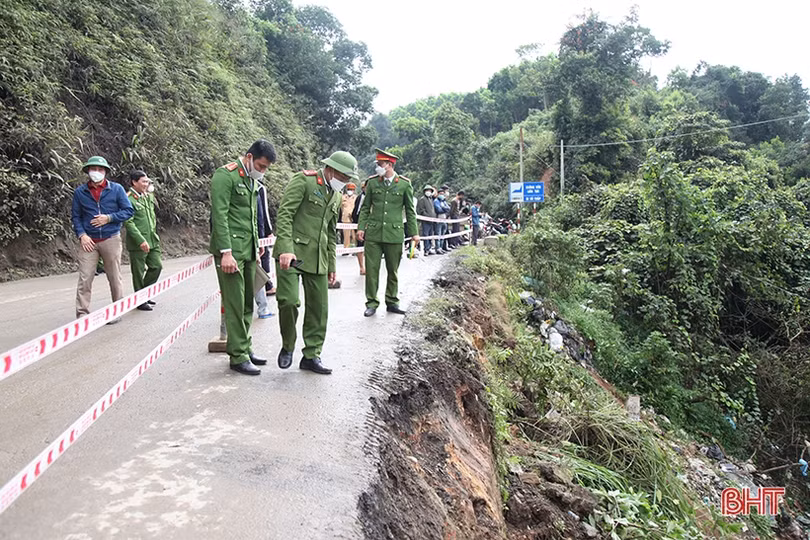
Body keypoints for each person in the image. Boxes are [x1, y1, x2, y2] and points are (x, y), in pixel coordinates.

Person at [273, 151, 358, 375]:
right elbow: (285, 214)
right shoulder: (305, 180)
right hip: (291, 254)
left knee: (319, 309)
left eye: (349, 179)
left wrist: (332, 265)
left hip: (318, 257)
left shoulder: (337, 196)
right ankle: (288, 345)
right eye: (343, 176)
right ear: (330, 169)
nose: (346, 182)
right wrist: (285, 249)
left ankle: (311, 355)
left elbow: (331, 234)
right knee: (289, 301)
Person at [209, 139, 277, 376]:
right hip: (231, 254)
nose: (262, 171)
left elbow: (251, 217)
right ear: (248, 157)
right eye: (260, 165)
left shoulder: (250, 180)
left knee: (248, 302)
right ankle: (237, 356)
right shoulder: (225, 176)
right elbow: (220, 216)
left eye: (266, 168)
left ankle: (245, 348)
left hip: (248, 251)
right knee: (235, 305)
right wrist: (226, 252)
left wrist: (257, 247)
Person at [71, 156, 134, 323]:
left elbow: (128, 211)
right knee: (85, 277)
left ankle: (117, 310)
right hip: (89, 241)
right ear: (88, 172)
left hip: (111, 238)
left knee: (114, 276)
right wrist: (82, 235)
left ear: (105, 172)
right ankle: (82, 315)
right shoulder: (80, 192)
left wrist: (109, 218)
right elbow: (76, 217)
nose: (96, 173)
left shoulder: (117, 189)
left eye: (100, 170)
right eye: (93, 169)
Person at [357, 148, 419, 317]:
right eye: (377, 164)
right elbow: (365, 208)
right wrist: (361, 227)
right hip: (374, 234)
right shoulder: (372, 183)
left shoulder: (404, 184)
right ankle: (371, 302)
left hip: (394, 233)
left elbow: (410, 210)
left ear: (390, 165)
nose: (377, 167)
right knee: (372, 270)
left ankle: (392, 301)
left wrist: (414, 233)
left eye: (381, 164)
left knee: (393, 270)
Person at [124, 170, 162, 311]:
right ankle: (139, 300)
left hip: (152, 240)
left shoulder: (148, 197)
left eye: (147, 182)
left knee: (156, 266)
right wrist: (140, 240)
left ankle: (144, 294)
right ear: (134, 182)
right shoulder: (128, 199)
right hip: (138, 242)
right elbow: (129, 222)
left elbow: (151, 218)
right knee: (138, 272)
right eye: (143, 181)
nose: (146, 184)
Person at [255, 180, 274, 319]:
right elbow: (262, 214)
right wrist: (267, 232)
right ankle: (263, 308)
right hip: (255, 236)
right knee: (258, 268)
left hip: (250, 237)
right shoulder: (258, 186)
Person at [416, 184, 436, 255]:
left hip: (432, 220)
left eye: (429, 190)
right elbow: (421, 210)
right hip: (425, 220)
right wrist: (427, 216)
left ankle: (429, 248)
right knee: (426, 235)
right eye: (427, 190)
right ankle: (426, 250)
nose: (428, 192)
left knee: (430, 235)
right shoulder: (422, 200)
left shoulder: (431, 199)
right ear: (424, 191)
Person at [352, 181, 367, 275]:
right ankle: (361, 267)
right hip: (360, 225)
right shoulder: (360, 198)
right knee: (360, 246)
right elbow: (355, 212)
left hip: (371, 226)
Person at [433, 188, 450, 254]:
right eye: (440, 194)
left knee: (443, 234)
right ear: (438, 194)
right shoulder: (436, 201)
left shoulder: (444, 201)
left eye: (443, 194)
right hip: (438, 219)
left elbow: (448, 208)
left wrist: (443, 208)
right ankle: (437, 248)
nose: (442, 195)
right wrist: (444, 209)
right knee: (438, 234)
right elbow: (438, 210)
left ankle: (441, 247)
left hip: (444, 219)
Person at [341, 182, 357, 250]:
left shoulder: (356, 198)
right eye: (349, 189)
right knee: (346, 235)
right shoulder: (343, 197)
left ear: (354, 190)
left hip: (353, 218)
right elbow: (341, 207)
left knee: (354, 235)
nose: (350, 191)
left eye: (351, 189)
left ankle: (354, 249)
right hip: (345, 218)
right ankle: (346, 249)